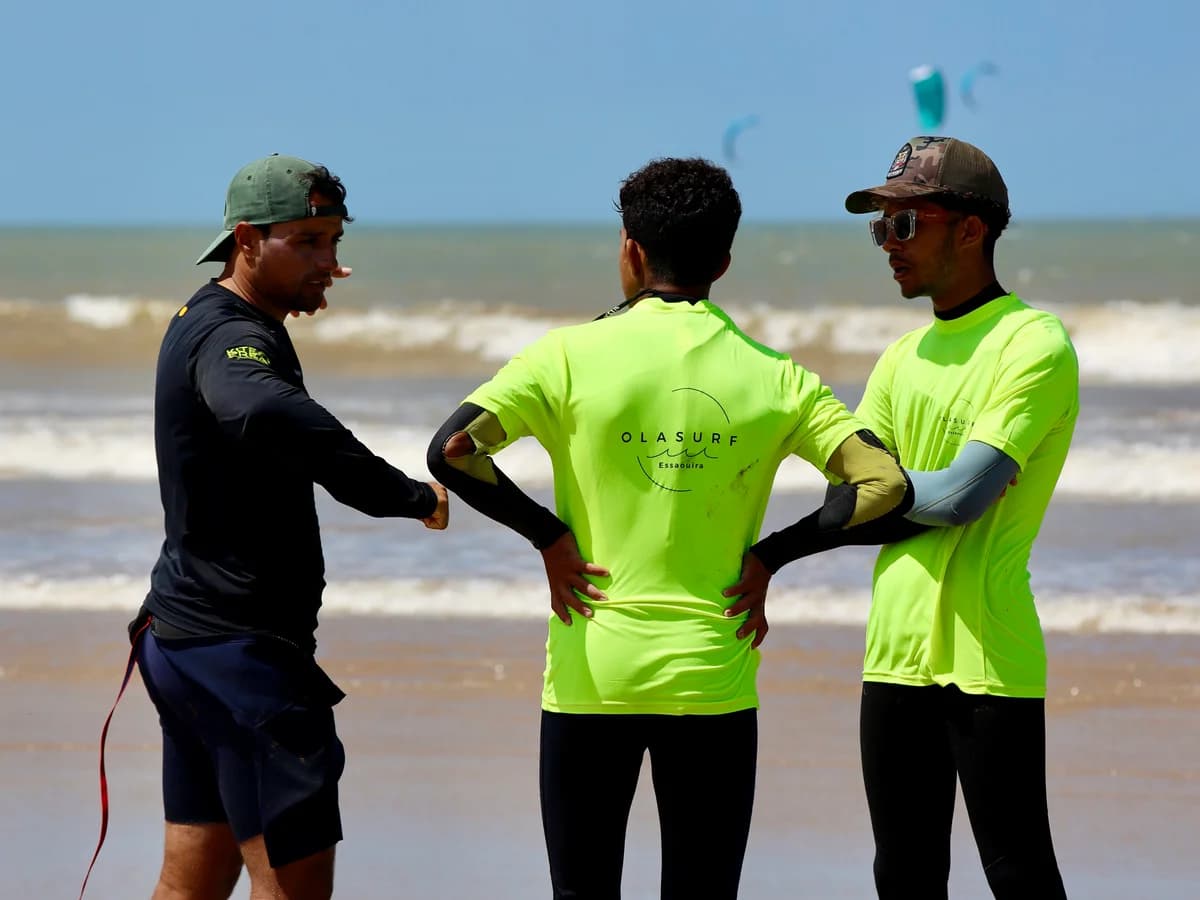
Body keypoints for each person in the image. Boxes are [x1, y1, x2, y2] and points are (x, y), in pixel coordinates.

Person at [426, 157, 910, 900]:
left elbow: (452, 451)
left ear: (631, 248)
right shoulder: (776, 375)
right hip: (712, 677)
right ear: (723, 260)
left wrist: (548, 537)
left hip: (594, 674)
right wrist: (772, 555)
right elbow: (883, 488)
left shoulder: (564, 357)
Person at [743, 136, 1077, 899]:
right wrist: (769, 555)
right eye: (878, 228)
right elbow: (863, 497)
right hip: (892, 654)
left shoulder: (1033, 343)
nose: (887, 245)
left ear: (970, 228)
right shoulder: (900, 357)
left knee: (1018, 872)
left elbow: (963, 496)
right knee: (903, 873)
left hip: (988, 655)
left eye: (905, 224)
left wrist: (863, 504)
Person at [130, 154, 449, 900]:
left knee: (195, 878)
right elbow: (261, 408)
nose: (331, 264)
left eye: (335, 241)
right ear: (247, 239)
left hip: (184, 640)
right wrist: (401, 493)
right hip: (244, 662)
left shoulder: (209, 317)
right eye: (307, 242)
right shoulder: (229, 334)